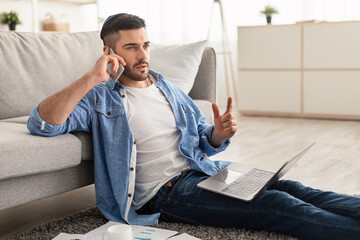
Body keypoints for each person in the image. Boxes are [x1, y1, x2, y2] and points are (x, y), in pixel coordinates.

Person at [27, 13, 360, 240]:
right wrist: (91, 77)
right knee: (278, 206)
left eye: (145, 45)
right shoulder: (99, 98)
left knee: (293, 189)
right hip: (166, 192)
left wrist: (218, 133)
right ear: (109, 52)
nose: (143, 55)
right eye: (131, 47)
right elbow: (42, 123)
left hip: (204, 169)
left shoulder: (165, 87)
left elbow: (202, 138)